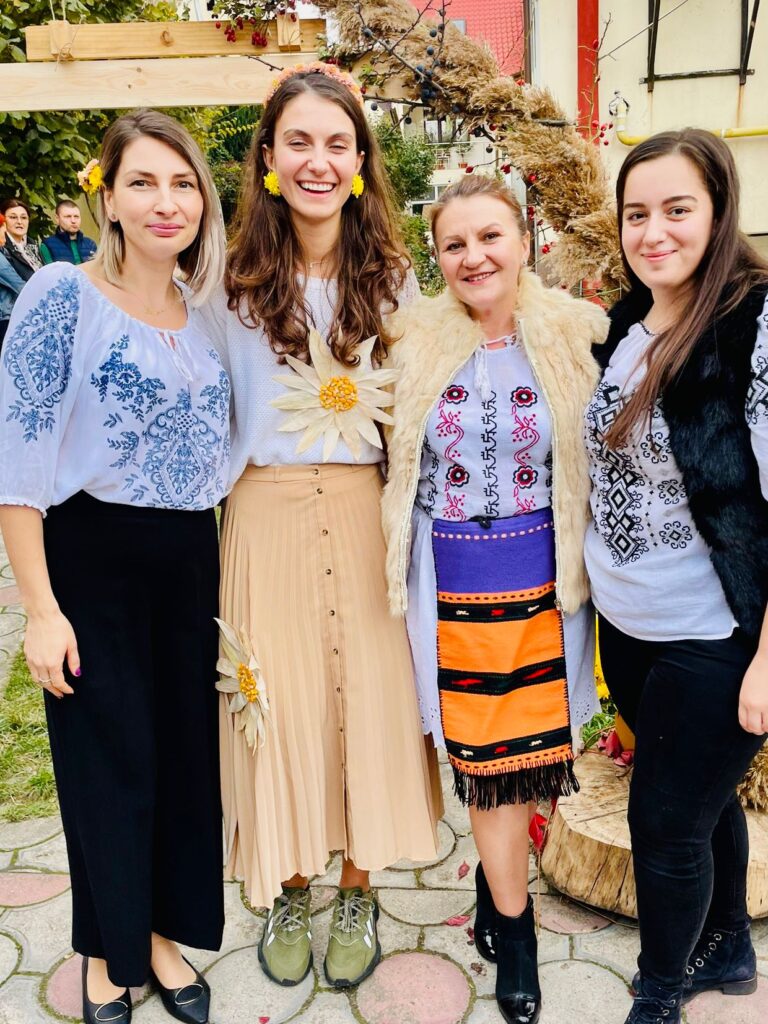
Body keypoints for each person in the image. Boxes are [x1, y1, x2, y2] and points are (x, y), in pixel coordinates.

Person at [201, 63, 441, 991]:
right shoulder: (226, 284)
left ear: (360, 160)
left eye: (338, 143)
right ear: (268, 155)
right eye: (298, 140)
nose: (318, 160)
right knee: (281, 704)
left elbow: (415, 410)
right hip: (262, 514)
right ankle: (291, 883)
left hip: (363, 509)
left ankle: (357, 888)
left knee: (367, 702)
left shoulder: (394, 280)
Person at [0, 109, 229, 1024]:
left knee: (181, 756)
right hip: (91, 556)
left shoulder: (206, 310)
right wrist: (39, 609)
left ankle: (163, 935)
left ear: (203, 200)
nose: (166, 202)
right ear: (109, 197)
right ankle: (106, 951)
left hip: (190, 557)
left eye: (182, 183)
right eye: (142, 182)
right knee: (107, 760)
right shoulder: (64, 294)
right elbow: (18, 461)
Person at [381, 174, 608, 1024]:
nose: (474, 256)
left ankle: (494, 884)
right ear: (436, 257)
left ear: (524, 241)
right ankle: (518, 934)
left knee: (533, 761)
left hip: (545, 581)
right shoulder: (409, 342)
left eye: (489, 237)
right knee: (485, 768)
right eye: (455, 244)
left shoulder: (576, 333)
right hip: (451, 580)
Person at [585, 129, 768, 1024]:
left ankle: (659, 993)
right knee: (702, 804)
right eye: (636, 213)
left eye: (677, 209)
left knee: (661, 827)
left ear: (719, 210)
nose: (653, 232)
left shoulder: (753, 327)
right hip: (630, 627)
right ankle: (727, 945)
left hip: (715, 635)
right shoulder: (628, 322)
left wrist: (767, 660)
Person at [40, 199, 98, 265]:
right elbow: (50, 271)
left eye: (76, 216)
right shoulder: (47, 245)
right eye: (68, 216)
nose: (73, 221)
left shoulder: (90, 244)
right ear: (57, 219)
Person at [0, 197, 43, 280]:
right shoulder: (2, 247)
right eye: (13, 217)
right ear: (3, 222)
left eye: (24, 218)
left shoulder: (33, 244)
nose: (19, 222)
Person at [0, 217, 25, 351]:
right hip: (4, 319)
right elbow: (19, 285)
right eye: (4, 232)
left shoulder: (4, 252)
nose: (5, 237)